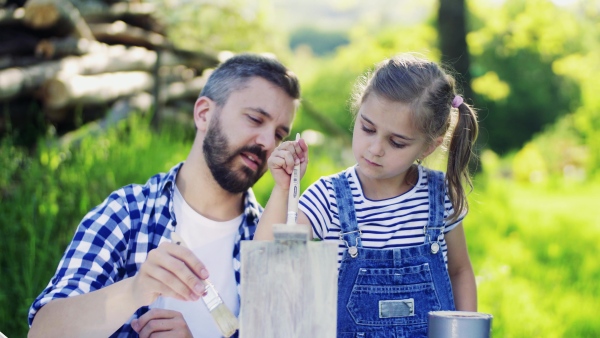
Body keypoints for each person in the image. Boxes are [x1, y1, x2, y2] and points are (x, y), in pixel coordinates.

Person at [28, 53, 300, 338]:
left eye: (280, 134)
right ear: (204, 114)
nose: (268, 143)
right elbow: (42, 332)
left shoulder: (266, 241)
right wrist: (134, 290)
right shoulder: (129, 212)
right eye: (256, 119)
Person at [255, 53, 478, 337]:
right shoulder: (329, 198)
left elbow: (459, 271)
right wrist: (283, 190)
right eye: (367, 128)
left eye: (396, 142)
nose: (375, 148)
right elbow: (268, 258)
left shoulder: (438, 196)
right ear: (358, 110)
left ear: (428, 147)